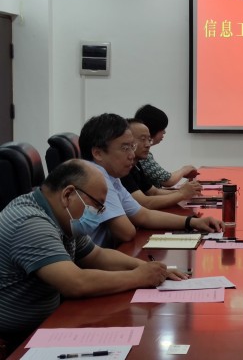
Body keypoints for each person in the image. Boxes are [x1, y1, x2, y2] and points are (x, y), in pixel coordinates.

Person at [0, 159, 186, 354]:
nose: (98, 213)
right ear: (68, 195)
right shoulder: (30, 223)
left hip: (49, 324)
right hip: (16, 342)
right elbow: (76, 283)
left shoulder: (60, 217)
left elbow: (97, 255)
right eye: (97, 205)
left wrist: (148, 269)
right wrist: (139, 277)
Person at [79, 113, 222, 248]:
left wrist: (194, 222)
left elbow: (143, 215)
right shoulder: (96, 177)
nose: (131, 155)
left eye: (132, 147)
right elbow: (126, 232)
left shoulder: (112, 177)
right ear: (98, 153)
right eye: (125, 148)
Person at [121, 119, 203, 210]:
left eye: (149, 139)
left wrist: (187, 192)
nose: (148, 144)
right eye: (143, 139)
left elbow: (153, 192)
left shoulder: (136, 164)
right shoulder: (121, 169)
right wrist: (181, 194)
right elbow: (145, 203)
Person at [135, 104, 197, 187]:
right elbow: (167, 180)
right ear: (152, 129)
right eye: (162, 128)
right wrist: (184, 170)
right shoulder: (142, 156)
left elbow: (154, 190)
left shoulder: (145, 153)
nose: (164, 132)